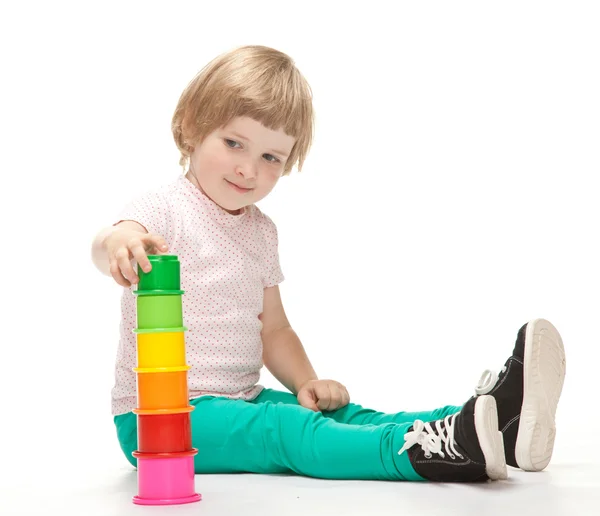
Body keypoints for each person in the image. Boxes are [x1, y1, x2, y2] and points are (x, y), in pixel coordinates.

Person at [91, 45, 566, 483]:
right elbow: (109, 239)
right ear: (192, 126)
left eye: (270, 156)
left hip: (238, 400)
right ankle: (424, 455)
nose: (248, 169)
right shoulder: (164, 209)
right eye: (233, 143)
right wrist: (121, 242)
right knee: (286, 430)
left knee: (342, 417)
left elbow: (274, 331)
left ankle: (497, 423)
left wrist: (306, 382)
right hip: (158, 419)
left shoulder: (260, 230)